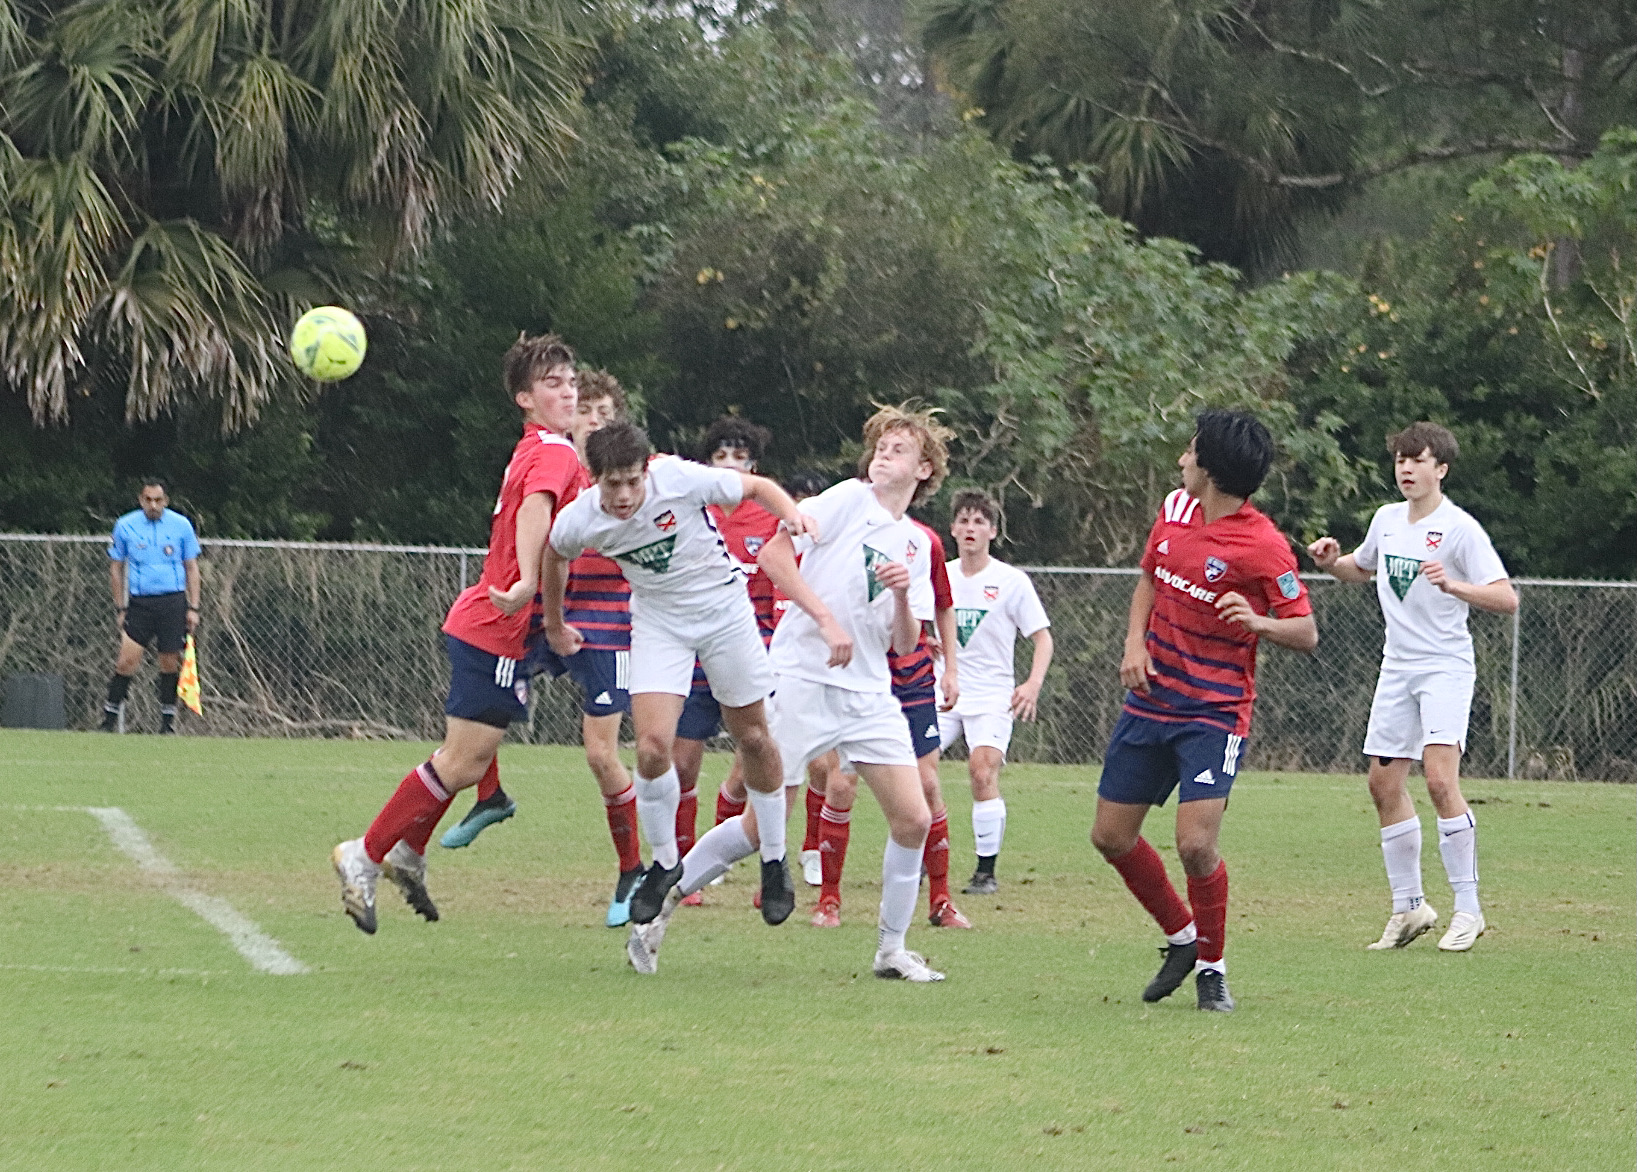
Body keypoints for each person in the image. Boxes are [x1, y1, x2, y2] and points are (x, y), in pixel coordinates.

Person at [626, 404, 951, 983]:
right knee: (758, 828)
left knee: (913, 818)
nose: (883, 454)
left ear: (925, 469)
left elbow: (905, 646)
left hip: (869, 694)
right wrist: (826, 619)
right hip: (802, 679)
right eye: (880, 445)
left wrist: (902, 597)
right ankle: (659, 909)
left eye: (899, 449)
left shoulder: (917, 545)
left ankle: (890, 952)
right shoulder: (847, 498)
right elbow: (773, 555)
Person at [331, 334, 585, 934]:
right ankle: (364, 855)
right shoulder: (555, 453)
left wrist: (544, 613)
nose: (568, 389)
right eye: (552, 383)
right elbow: (536, 514)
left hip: (500, 626)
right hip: (494, 627)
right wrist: (526, 580)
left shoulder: (538, 447)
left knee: (471, 760)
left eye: (571, 379)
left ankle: (407, 854)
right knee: (464, 761)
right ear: (525, 398)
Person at [541, 422, 813, 929]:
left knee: (753, 737)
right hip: (660, 622)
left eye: (631, 481)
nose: (623, 495)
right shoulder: (579, 517)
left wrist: (792, 514)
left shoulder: (678, 479)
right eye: (611, 484)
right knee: (650, 748)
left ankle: (774, 860)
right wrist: (554, 625)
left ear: (647, 472)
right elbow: (554, 555)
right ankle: (664, 864)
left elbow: (756, 487)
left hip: (724, 612)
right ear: (593, 480)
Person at [1090, 410, 1318, 1012]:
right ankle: (1182, 937)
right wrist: (1134, 642)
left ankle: (1212, 969)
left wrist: (1260, 621)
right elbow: (1149, 579)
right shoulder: (1172, 511)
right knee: (1110, 836)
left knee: (1194, 844)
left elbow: (1306, 631)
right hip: (1151, 701)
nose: (1181, 461)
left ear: (1211, 469)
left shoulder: (1263, 544)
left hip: (1214, 712)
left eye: (1190, 452)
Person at [438, 370, 651, 929]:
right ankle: (490, 795)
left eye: (607, 415)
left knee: (601, 755)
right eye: (588, 412)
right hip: (549, 617)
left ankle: (633, 870)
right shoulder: (562, 473)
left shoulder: (627, 487)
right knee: (488, 675)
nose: (595, 421)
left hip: (606, 627)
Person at [1308, 422, 1516, 953]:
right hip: (1396, 669)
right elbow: (1362, 568)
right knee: (1382, 786)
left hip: (1445, 666)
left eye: (1418, 460)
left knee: (1442, 783)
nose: (1406, 468)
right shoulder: (1386, 521)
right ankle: (1409, 908)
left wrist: (1454, 584)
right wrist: (1333, 563)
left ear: (1440, 469)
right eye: (1401, 459)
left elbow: (1505, 598)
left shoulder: (1459, 529)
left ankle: (1468, 910)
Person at [810, 512, 968, 930]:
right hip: (859, 678)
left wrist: (951, 669)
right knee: (841, 784)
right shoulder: (844, 528)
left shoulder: (925, 540)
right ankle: (829, 900)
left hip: (913, 678)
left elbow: (943, 606)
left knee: (928, 785)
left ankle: (941, 900)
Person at [670, 416, 784, 904]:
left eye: (740, 458)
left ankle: (762, 869)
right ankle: (678, 873)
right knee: (682, 764)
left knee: (753, 763)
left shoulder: (770, 520)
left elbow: (782, 588)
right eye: (721, 458)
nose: (731, 466)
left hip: (751, 653)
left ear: (753, 466)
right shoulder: (694, 512)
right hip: (697, 654)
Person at [938, 490, 1053, 896]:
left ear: (993, 531)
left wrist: (1032, 683)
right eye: (964, 521)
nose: (971, 529)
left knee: (981, 770)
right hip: (943, 689)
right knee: (915, 772)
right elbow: (915, 624)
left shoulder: (1010, 582)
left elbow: (1042, 638)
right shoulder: (941, 575)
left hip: (990, 695)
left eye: (979, 522)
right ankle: (920, 859)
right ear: (953, 528)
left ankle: (985, 872)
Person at [100, 479, 202, 735]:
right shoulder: (125, 525)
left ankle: (167, 724)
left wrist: (194, 607)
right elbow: (116, 568)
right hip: (140, 603)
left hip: (172, 602)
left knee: (169, 662)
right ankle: (108, 721)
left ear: (165, 501)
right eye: (148, 500)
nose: (153, 505)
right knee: (126, 661)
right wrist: (120, 608)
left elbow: (191, 567)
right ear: (141, 500)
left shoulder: (181, 526)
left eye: (158, 500)